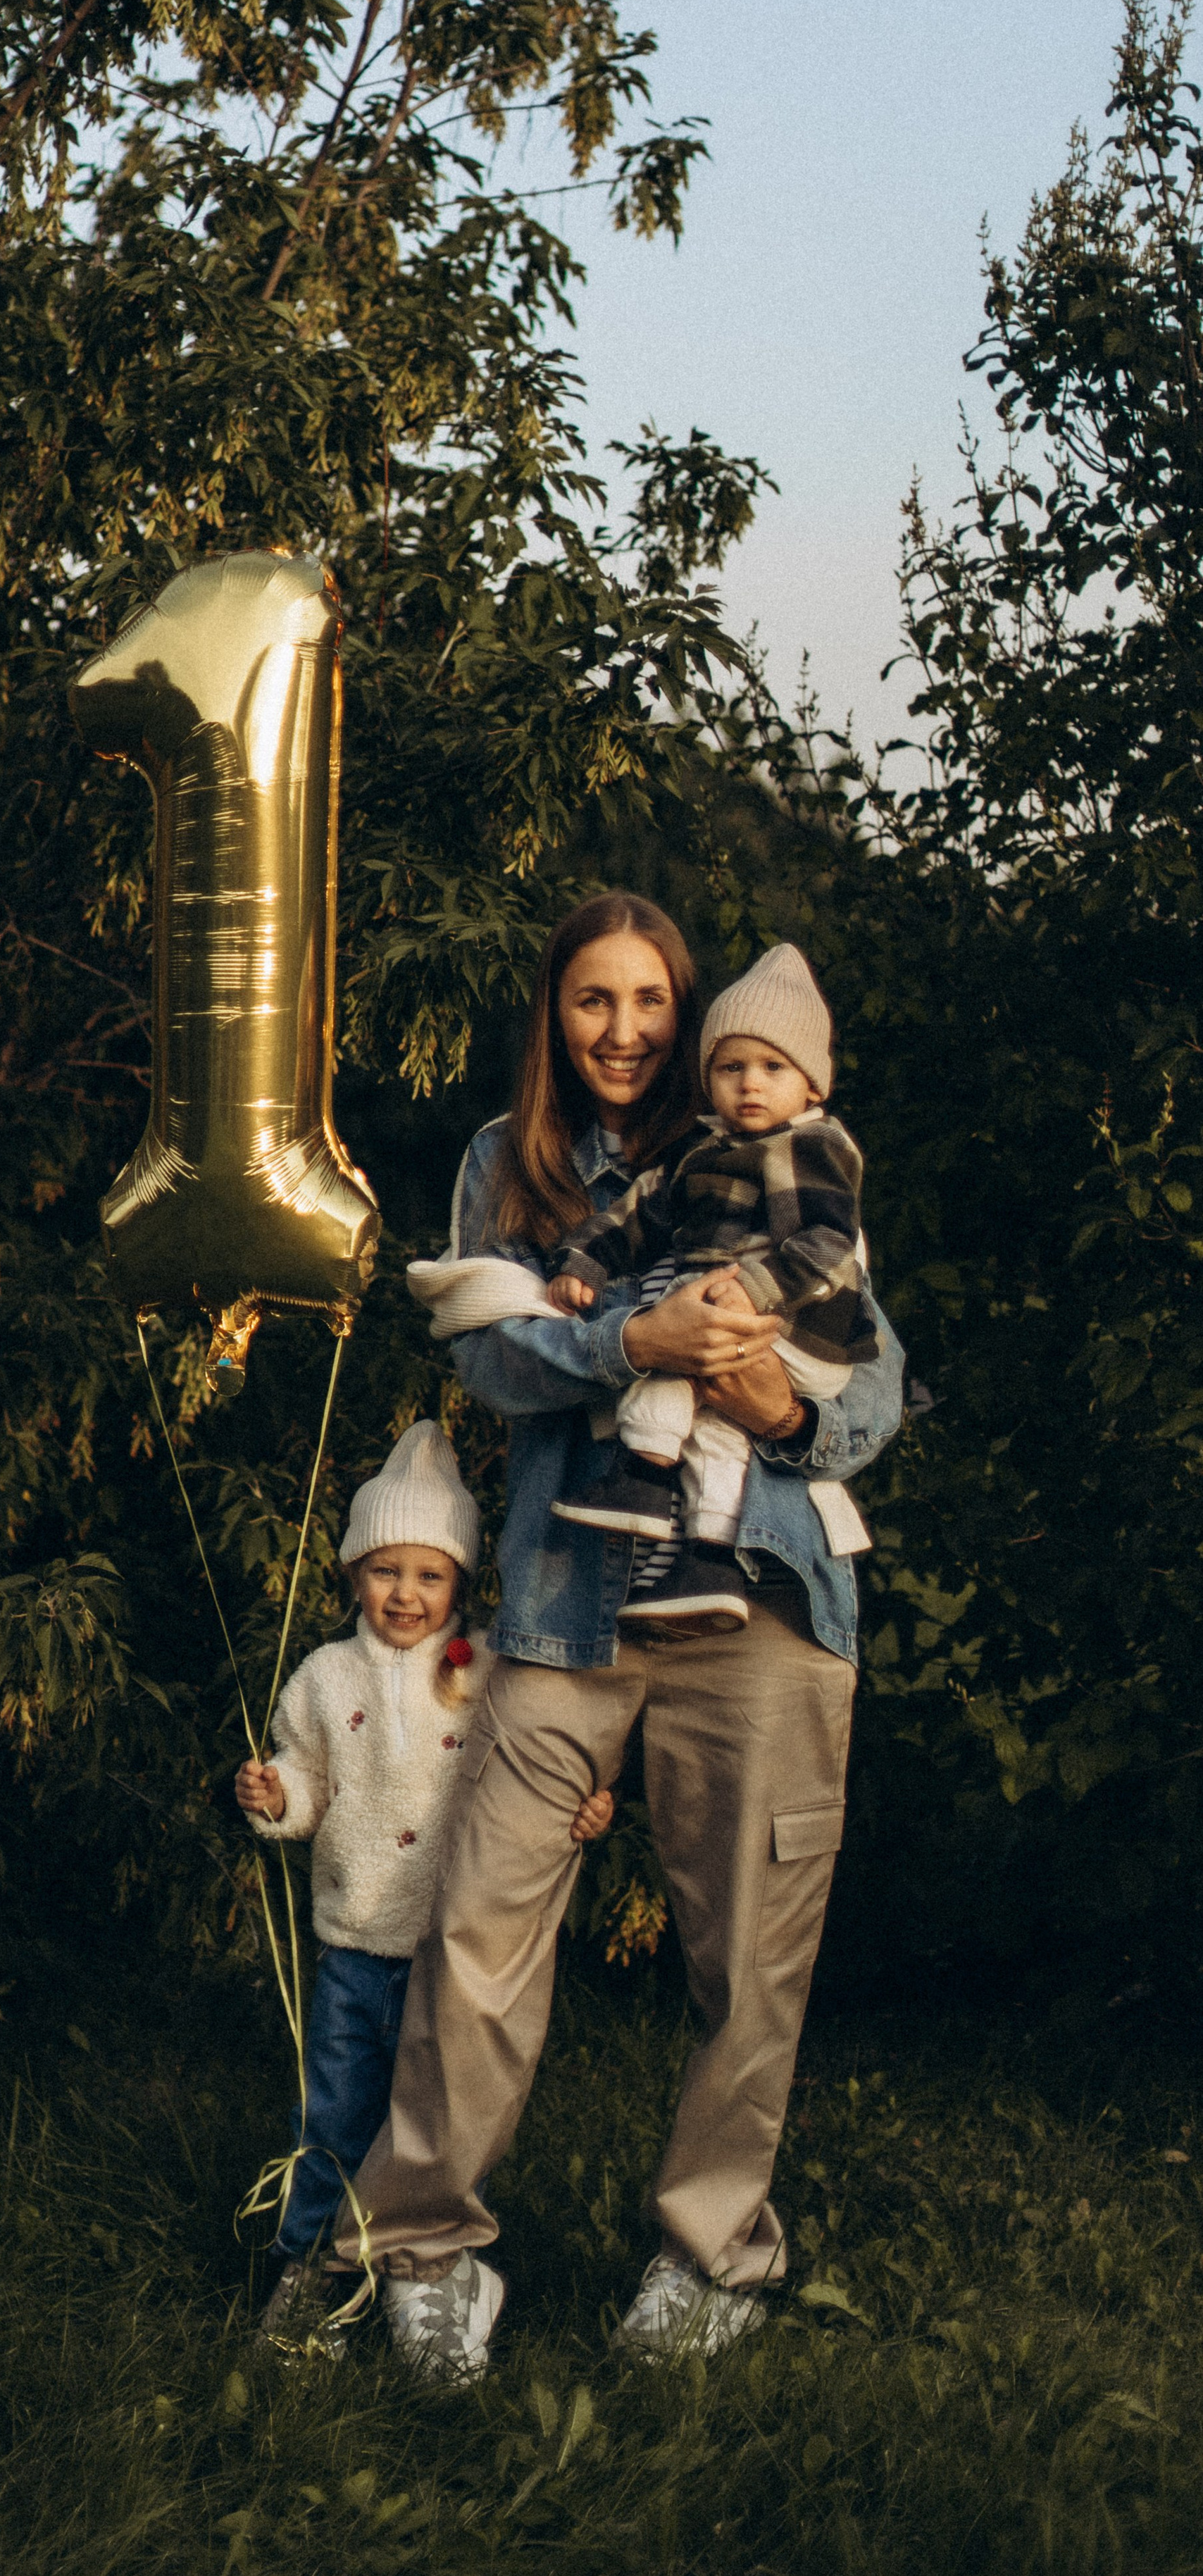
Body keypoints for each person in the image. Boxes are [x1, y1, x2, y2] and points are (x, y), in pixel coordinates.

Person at [342, 890, 904, 2384]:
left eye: (651, 1000)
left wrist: (779, 1404)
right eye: (594, 999)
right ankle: (427, 2252)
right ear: (554, 1013)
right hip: (565, 1596)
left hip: (762, 1595)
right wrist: (626, 1345)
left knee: (750, 1950)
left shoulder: (784, 1144)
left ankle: (711, 2256)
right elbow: (487, 1353)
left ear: (692, 1014)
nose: (625, 1029)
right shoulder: (507, 1162)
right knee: (478, 1925)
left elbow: (872, 1389)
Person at [234, 1418, 615, 2356]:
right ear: (353, 1575)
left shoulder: (486, 1673)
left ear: (461, 1584)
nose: (405, 1594)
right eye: (384, 1571)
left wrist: (580, 1810)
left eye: (429, 1575)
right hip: (355, 1942)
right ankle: (313, 2265)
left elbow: (533, 1777)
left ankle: (426, 2263)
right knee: (335, 2111)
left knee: (438, 2110)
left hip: (451, 1945)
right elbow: (307, 1779)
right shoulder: (324, 1678)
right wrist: (279, 1796)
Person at [542, 941, 880, 1638]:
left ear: (812, 1086)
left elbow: (826, 1243)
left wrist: (754, 1291)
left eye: (772, 1068)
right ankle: (709, 1560)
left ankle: (643, 1475)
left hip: (804, 1330)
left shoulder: (810, 1147)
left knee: (677, 1352)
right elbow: (638, 1215)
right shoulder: (706, 1150)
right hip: (748, 1322)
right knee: (718, 1431)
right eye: (730, 1068)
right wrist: (584, 1262)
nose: (750, 1085)